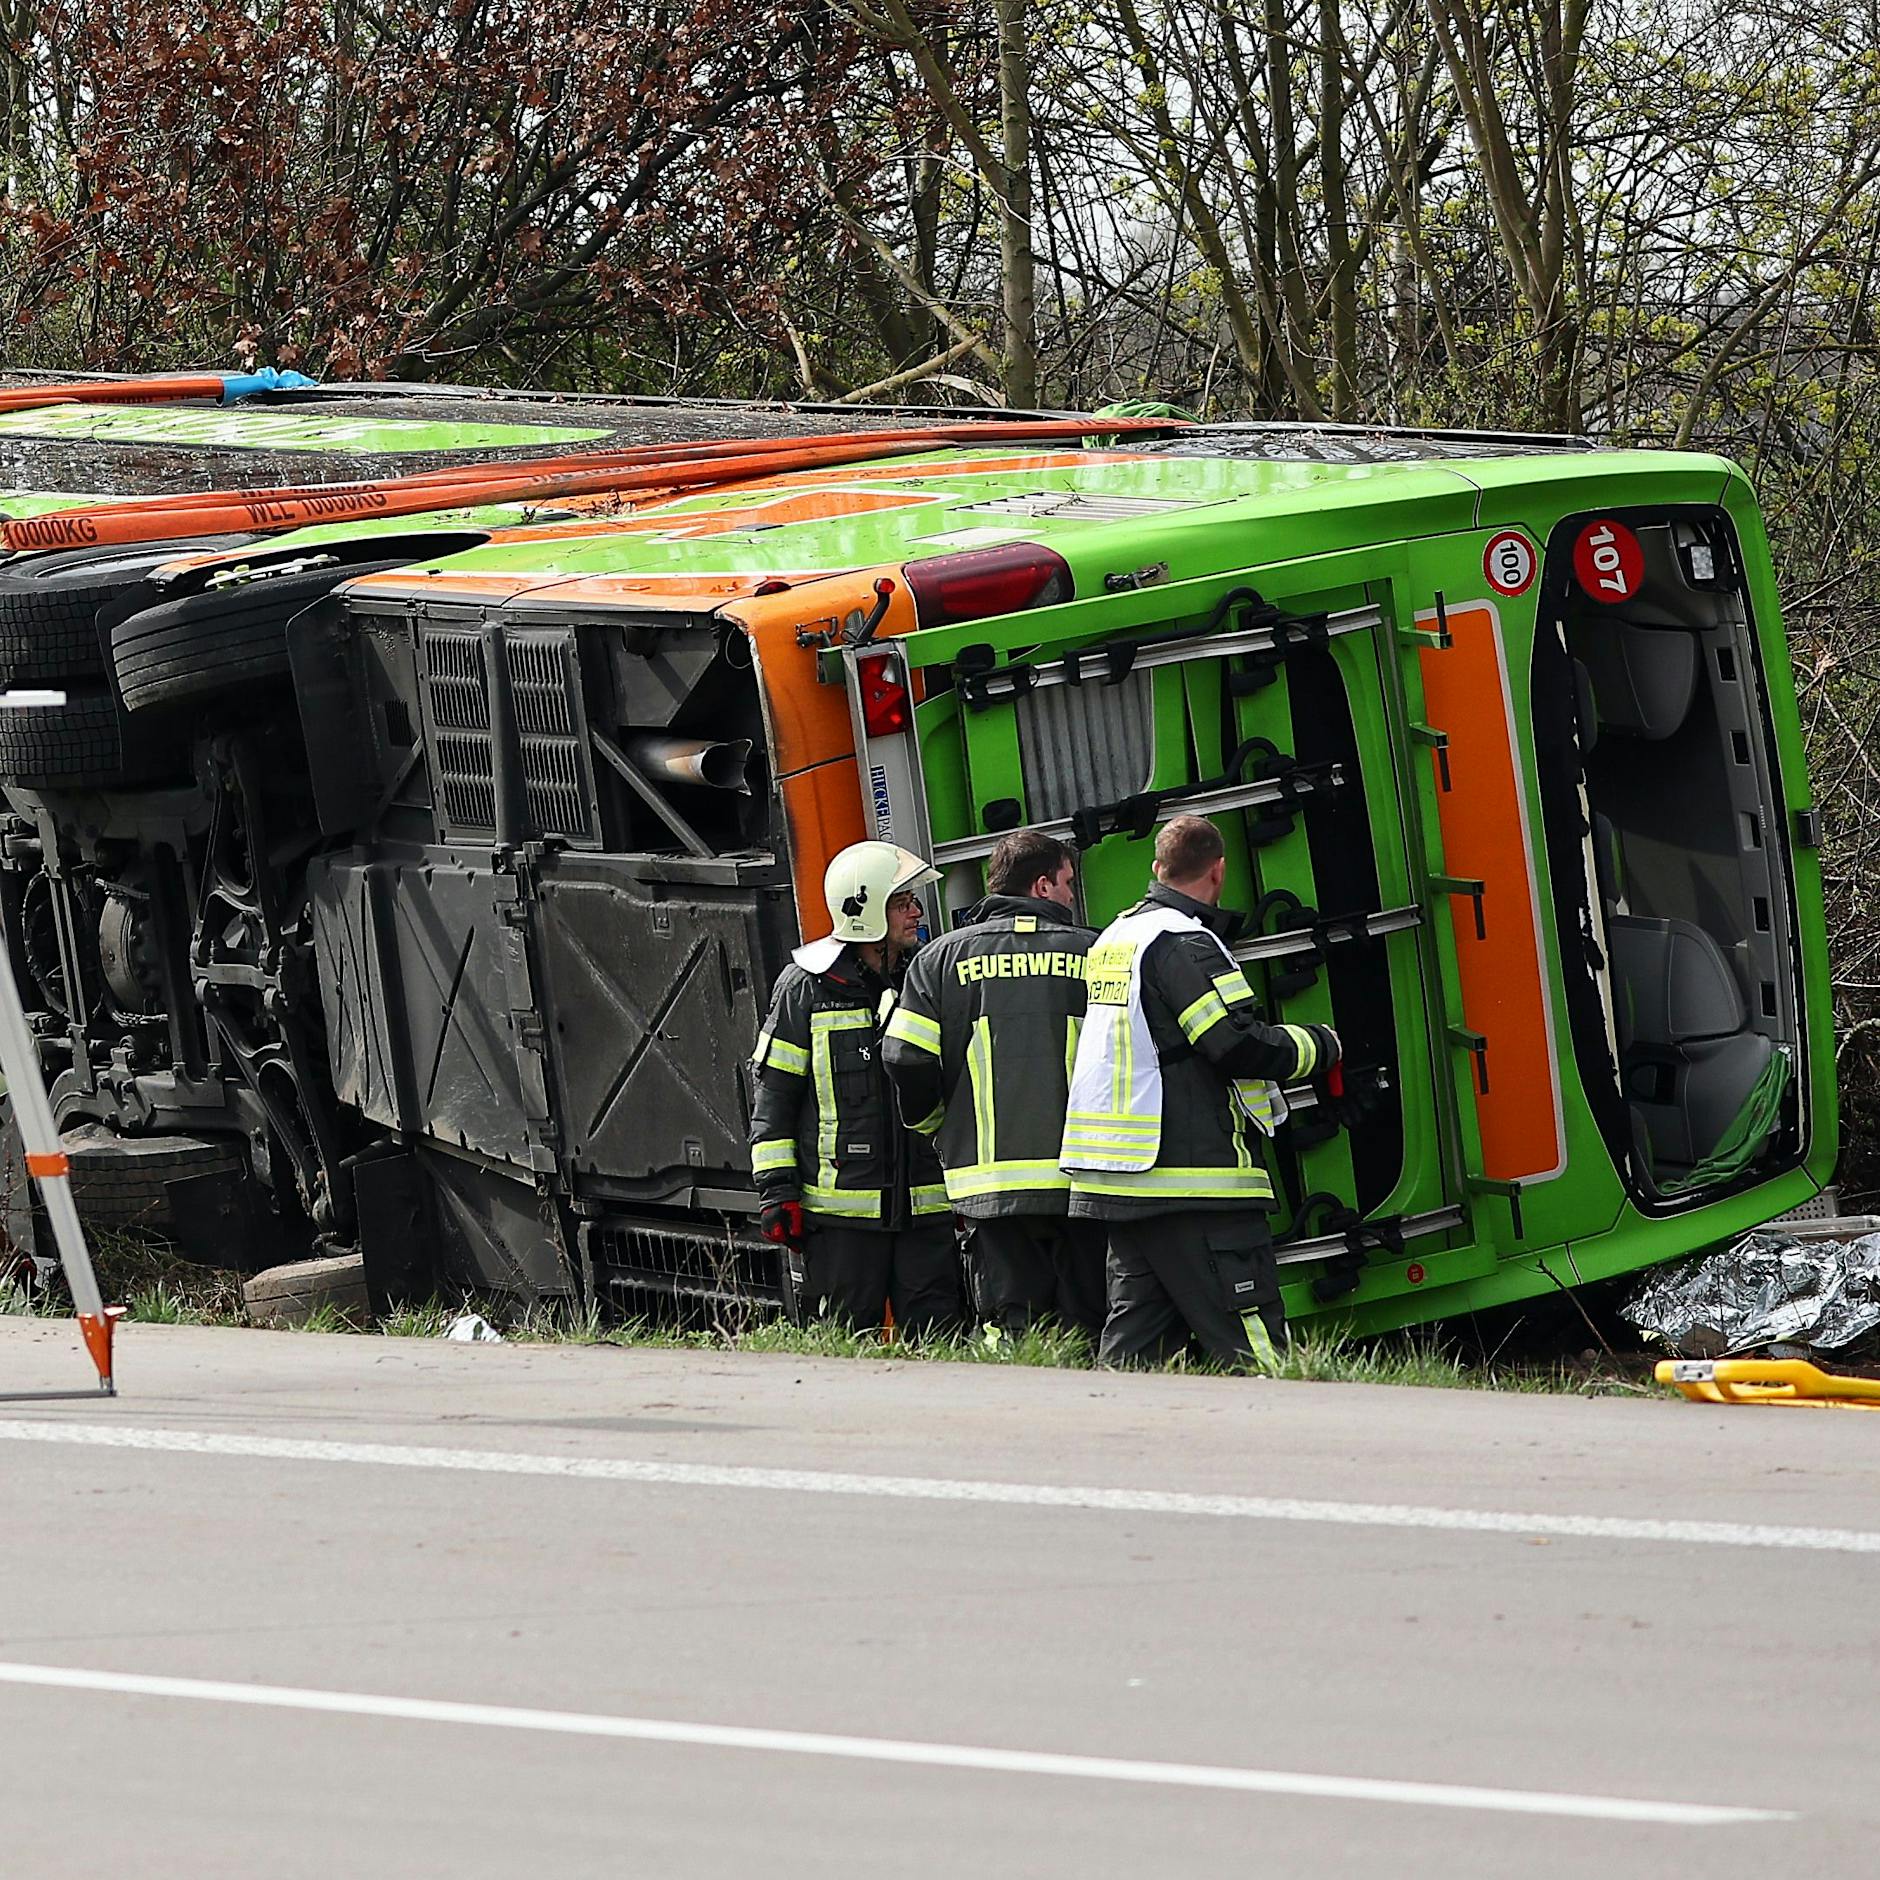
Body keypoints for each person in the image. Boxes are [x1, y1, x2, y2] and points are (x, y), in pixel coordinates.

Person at [1060, 815, 1340, 1370]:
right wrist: (1319, 1045)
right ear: (1219, 871)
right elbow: (1231, 1044)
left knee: (1133, 1361)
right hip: (1195, 1181)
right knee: (1255, 1349)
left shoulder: (1116, 937)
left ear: (1156, 868)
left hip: (1123, 1182)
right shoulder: (1183, 942)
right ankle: (1287, 1447)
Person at [882, 831, 1103, 1342]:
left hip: (990, 1188)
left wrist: (936, 1123)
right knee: (1089, 1324)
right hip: (1083, 1180)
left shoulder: (937, 960)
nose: (1072, 896)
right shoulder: (1095, 953)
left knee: (1014, 1329)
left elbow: (905, 1057)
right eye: (1068, 883)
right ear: (1043, 885)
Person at [747, 840, 962, 1335]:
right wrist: (778, 1194)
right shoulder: (804, 989)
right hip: (842, 1224)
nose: (916, 911)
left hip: (927, 1212)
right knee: (846, 1351)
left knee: (940, 1350)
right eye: (902, 901)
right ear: (865, 911)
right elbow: (774, 1099)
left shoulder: (926, 980)